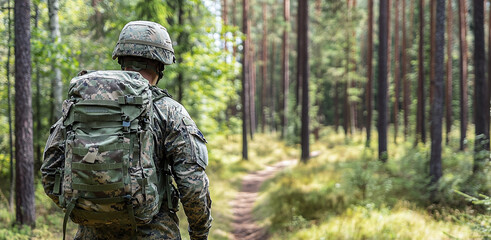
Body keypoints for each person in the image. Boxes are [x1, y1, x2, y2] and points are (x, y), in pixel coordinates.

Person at [41, 21, 212, 240]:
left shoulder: (85, 104)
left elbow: (49, 171)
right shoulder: (169, 111)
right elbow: (192, 185)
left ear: (121, 59)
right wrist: (200, 234)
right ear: (160, 64)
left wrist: (87, 207)